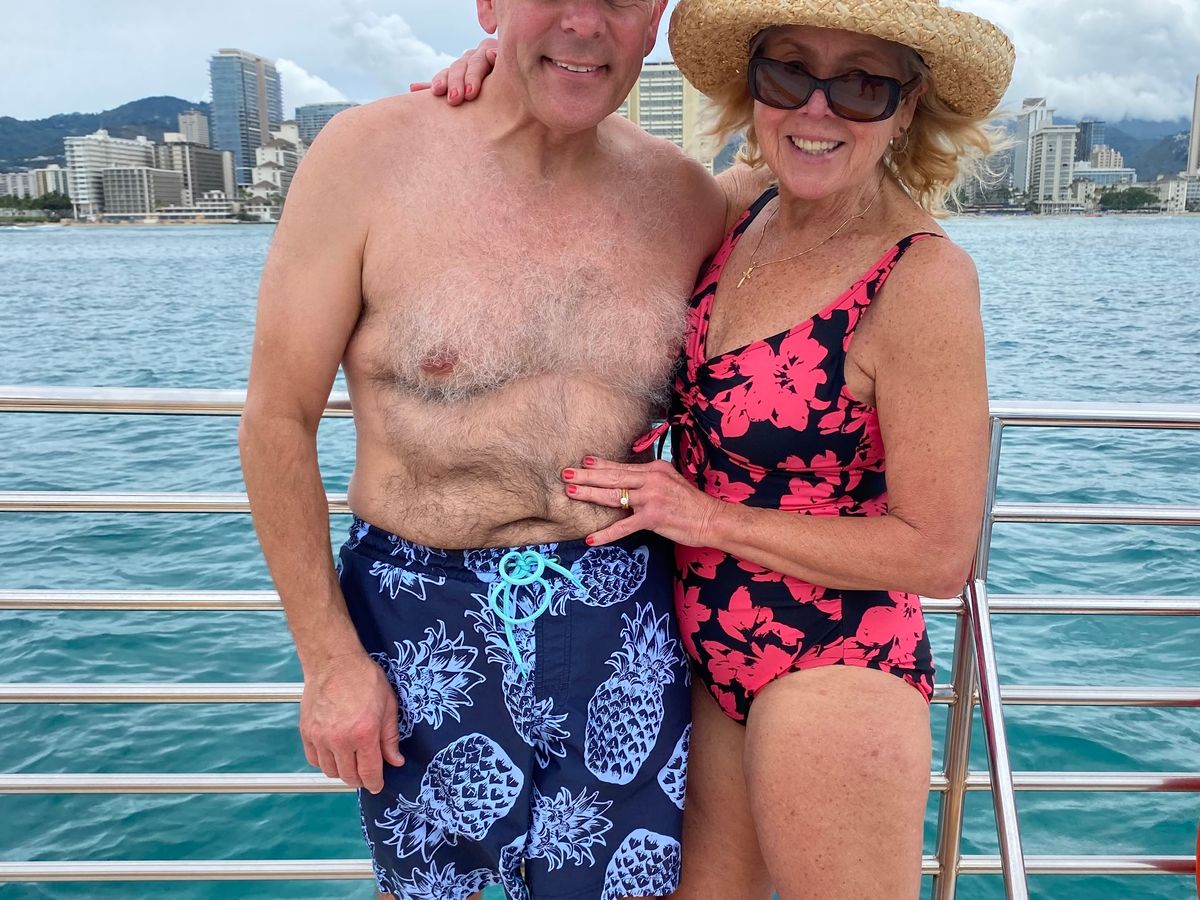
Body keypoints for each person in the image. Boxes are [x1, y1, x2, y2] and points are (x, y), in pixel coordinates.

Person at [436, 0, 1014, 896]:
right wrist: (500, 74)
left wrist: (706, 518)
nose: (816, 109)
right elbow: (592, 165)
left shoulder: (922, 278)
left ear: (906, 107)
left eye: (861, 86)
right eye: (789, 72)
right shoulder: (745, 207)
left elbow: (938, 554)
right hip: (701, 657)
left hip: (831, 666)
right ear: (754, 89)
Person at [239, 1, 771, 898]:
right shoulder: (368, 159)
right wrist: (329, 662)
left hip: (622, 621)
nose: (585, 22)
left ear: (655, 22)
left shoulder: (688, 201)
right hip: (418, 622)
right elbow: (276, 420)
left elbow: (825, 160)